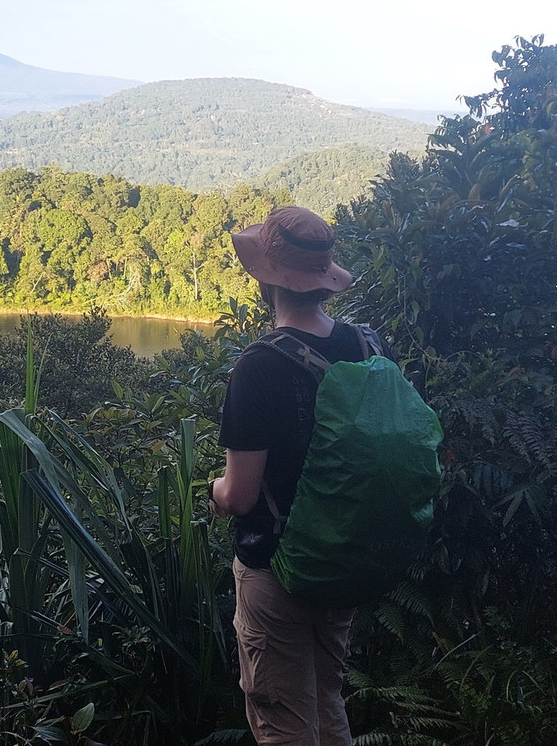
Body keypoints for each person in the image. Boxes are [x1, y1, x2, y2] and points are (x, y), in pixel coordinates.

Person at [208, 206, 388, 746]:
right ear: (324, 281)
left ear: (267, 280)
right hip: (344, 558)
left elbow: (240, 496)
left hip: (276, 568)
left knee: (282, 720)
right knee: (327, 699)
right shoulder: (368, 345)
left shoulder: (259, 366)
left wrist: (213, 493)